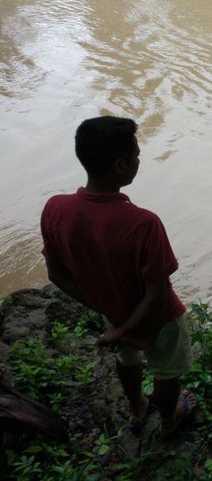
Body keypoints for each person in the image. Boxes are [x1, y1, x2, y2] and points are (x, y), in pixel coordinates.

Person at [40, 116, 196, 435]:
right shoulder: (143, 224)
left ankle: (137, 407)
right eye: (137, 154)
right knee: (167, 373)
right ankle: (170, 418)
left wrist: (107, 311)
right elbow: (157, 296)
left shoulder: (55, 209)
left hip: (113, 315)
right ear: (121, 166)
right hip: (158, 320)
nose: (140, 159)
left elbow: (56, 275)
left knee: (127, 358)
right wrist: (126, 327)